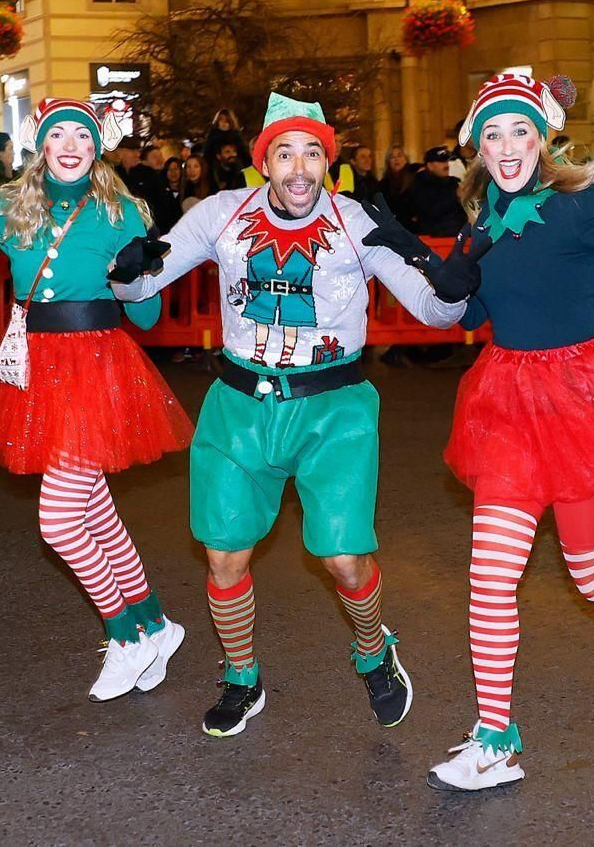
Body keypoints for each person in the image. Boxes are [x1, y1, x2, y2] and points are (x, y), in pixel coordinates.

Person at [363, 73, 594, 792]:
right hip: (507, 405)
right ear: (479, 146)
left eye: (520, 131)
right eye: (494, 135)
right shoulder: (480, 219)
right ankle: (496, 737)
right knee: (488, 578)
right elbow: (468, 309)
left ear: (542, 137)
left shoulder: (578, 202)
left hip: (586, 401)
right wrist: (413, 252)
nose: (507, 147)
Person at [112, 92, 466, 738]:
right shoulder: (222, 213)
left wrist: (439, 272)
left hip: (333, 410)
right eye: (285, 153)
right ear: (265, 163)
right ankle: (242, 678)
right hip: (240, 406)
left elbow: (439, 311)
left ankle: (372, 649)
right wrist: (126, 274)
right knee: (223, 555)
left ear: (326, 162)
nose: (299, 168)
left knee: (344, 561)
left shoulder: (356, 221)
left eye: (312, 153)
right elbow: (143, 284)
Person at [0, 98, 193, 700]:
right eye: (58, 134)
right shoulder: (11, 204)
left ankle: (126, 637)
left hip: (96, 366)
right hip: (35, 366)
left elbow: (150, 311)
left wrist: (135, 275)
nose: (70, 144)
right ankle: (155, 624)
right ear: (41, 144)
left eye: (81, 134)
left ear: (96, 146)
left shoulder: (122, 211)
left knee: (59, 520)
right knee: (94, 513)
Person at [400, 146, 467, 237]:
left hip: (458, 236)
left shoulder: (453, 183)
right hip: (433, 239)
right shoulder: (419, 185)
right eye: (441, 162)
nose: (446, 165)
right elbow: (429, 213)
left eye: (447, 161)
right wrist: (455, 197)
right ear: (430, 166)